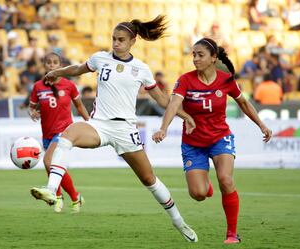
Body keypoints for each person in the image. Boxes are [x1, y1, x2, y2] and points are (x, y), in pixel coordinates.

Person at [30, 15, 198, 242]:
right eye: (113, 39)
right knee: (68, 134)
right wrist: (58, 72)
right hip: (99, 125)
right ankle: (51, 189)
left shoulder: (141, 69)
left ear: (132, 42)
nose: (116, 43)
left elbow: (162, 99)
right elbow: (79, 69)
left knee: (149, 180)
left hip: (125, 130)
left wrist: (185, 115)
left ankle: (179, 221)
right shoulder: (100, 58)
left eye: (120, 40)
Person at [152, 38, 272, 244]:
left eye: (200, 55)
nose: (195, 59)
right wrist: (163, 128)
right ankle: (205, 186)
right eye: (194, 55)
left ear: (213, 58)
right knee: (198, 194)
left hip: (220, 138)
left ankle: (232, 234)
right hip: (193, 143)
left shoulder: (226, 80)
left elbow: (243, 102)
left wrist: (261, 124)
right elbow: (173, 105)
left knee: (225, 180)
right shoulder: (186, 80)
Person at [29, 52, 90, 213]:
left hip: (64, 132)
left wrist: (91, 123)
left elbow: (79, 106)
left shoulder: (68, 85)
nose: (52, 65)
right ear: (44, 65)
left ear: (60, 65)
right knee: (57, 167)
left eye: (55, 62)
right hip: (47, 133)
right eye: (48, 62)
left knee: (48, 162)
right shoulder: (38, 87)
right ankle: (75, 198)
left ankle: (55, 196)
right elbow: (32, 108)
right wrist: (33, 113)